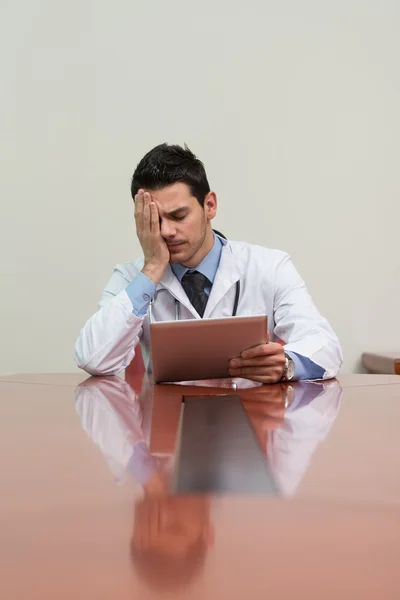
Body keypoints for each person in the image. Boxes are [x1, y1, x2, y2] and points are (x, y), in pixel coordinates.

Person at [74, 143, 342, 382]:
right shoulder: (132, 278)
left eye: (178, 215)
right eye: (155, 220)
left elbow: (326, 346)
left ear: (210, 205)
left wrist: (287, 364)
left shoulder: (269, 266)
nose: (166, 231)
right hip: (166, 425)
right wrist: (153, 268)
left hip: (251, 420)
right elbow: (92, 358)